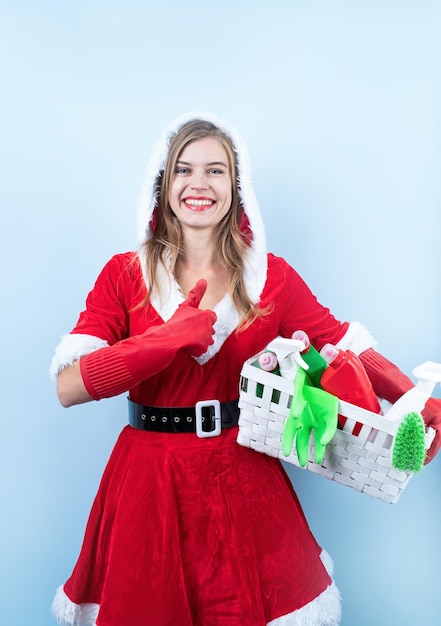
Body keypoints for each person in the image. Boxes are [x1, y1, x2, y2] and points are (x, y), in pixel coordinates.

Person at [50, 112, 441, 626]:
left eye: (216, 171)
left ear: (237, 187)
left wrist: (414, 400)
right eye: (183, 169)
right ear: (162, 183)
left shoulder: (268, 277)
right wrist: (163, 340)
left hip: (244, 478)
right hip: (149, 481)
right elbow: (69, 386)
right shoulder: (124, 275)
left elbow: (343, 344)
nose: (199, 184)